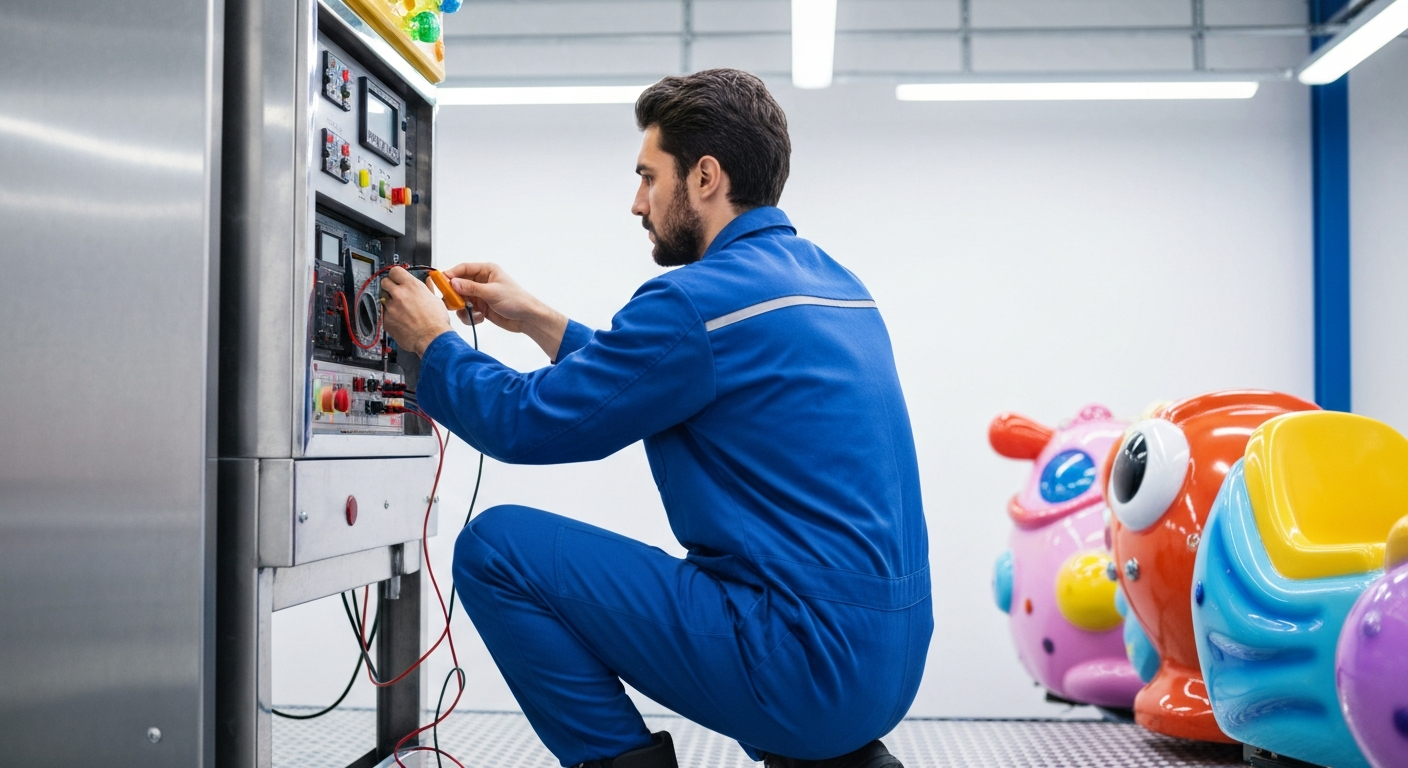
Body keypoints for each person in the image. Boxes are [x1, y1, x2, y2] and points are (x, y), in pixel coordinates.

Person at [379, 68, 931, 768]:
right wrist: (540, 319)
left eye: (648, 176)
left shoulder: (695, 300)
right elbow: (664, 377)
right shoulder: (832, 285)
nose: (637, 203)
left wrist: (435, 344)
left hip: (804, 666)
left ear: (705, 176)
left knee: (496, 550)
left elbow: (526, 422)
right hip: (887, 666)